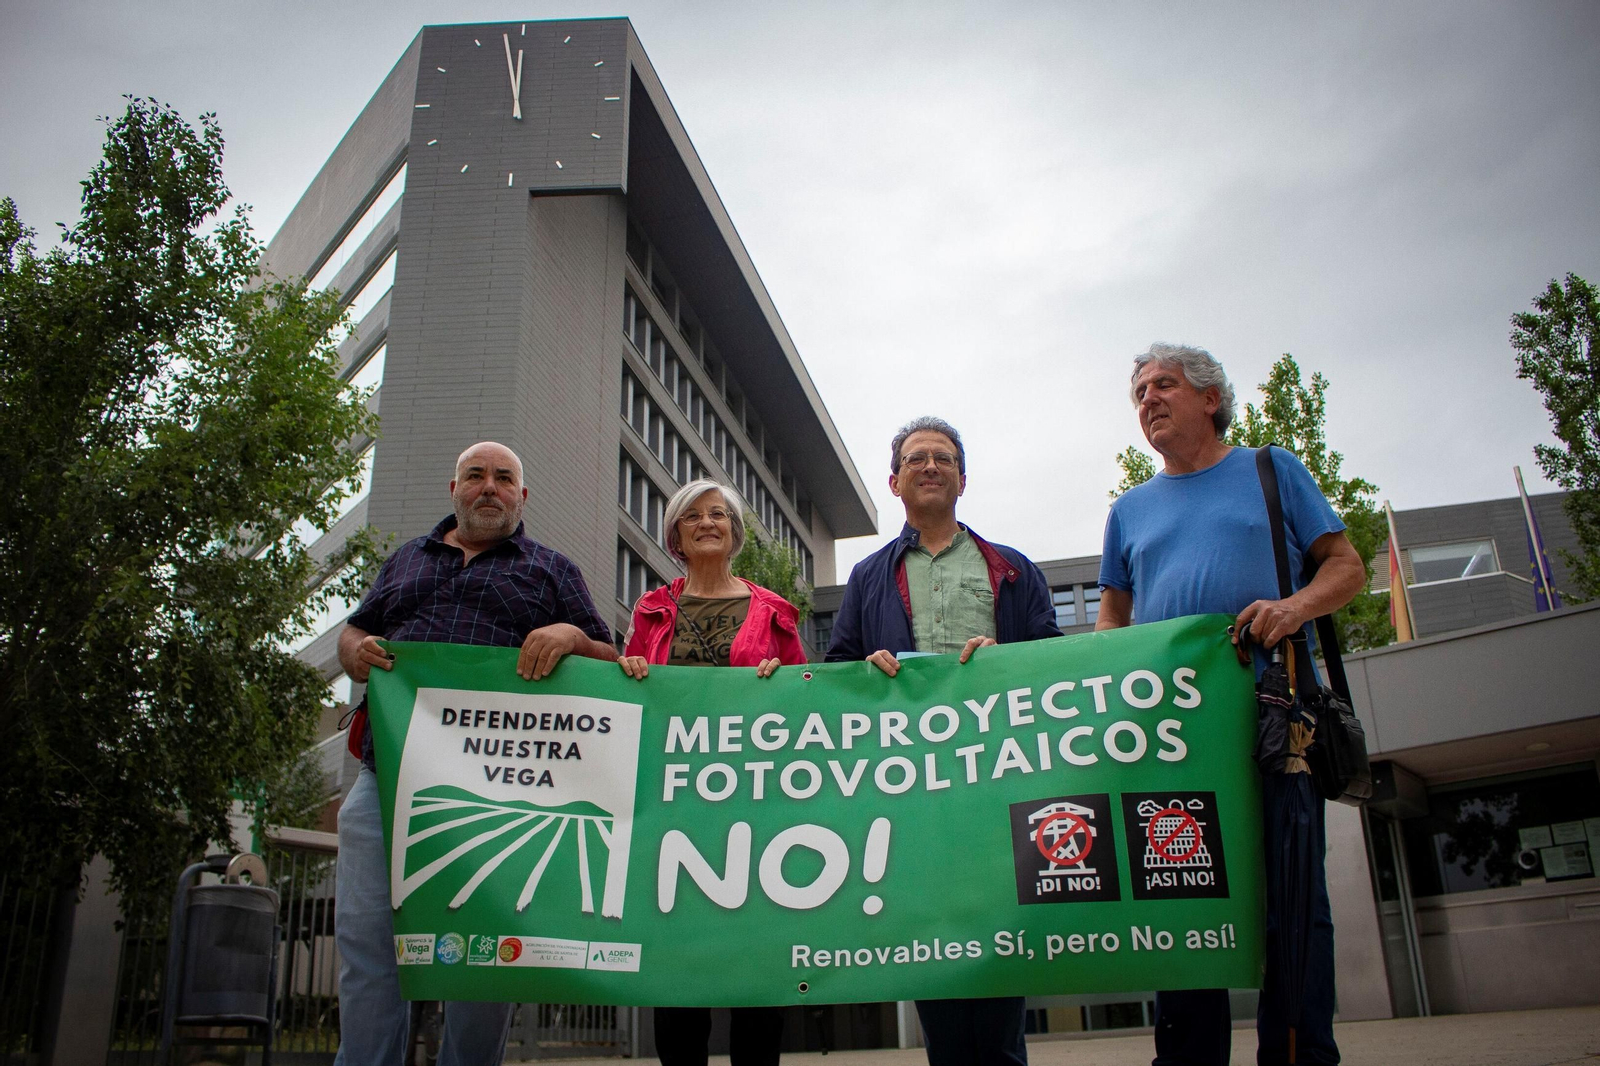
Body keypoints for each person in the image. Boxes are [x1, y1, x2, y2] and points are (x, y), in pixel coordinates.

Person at [1095, 345, 1365, 1066]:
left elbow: (1345, 566)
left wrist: (1293, 607)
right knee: (1181, 902)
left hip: (1276, 720)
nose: (1148, 399)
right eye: (1139, 392)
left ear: (1210, 398)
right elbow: (1111, 621)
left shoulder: (1271, 470)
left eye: (1164, 385)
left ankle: (1301, 1052)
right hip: (1173, 739)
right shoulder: (1127, 511)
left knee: (1294, 899)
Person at [334, 441, 618, 1066]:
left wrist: (572, 635)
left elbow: (611, 658)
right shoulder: (405, 561)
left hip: (502, 795)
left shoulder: (551, 570)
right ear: (454, 488)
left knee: (488, 956)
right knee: (368, 951)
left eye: (504, 478)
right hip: (384, 782)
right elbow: (356, 628)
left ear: (523, 496)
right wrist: (350, 649)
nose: (490, 486)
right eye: (476, 476)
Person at [826, 416, 1060, 1066]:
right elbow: (837, 672)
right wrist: (864, 674)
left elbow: (1052, 662)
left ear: (963, 477)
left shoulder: (1011, 569)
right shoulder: (869, 577)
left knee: (1000, 952)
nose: (931, 466)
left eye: (944, 458)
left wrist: (1008, 663)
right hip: (911, 796)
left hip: (997, 788)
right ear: (895, 480)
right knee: (933, 944)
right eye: (917, 458)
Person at [617, 477, 805, 1066]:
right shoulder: (650, 610)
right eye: (693, 515)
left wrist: (786, 688)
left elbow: (807, 705)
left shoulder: (774, 612)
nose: (707, 523)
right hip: (674, 813)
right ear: (675, 534)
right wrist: (628, 671)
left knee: (756, 965)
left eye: (718, 514)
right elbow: (628, 703)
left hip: (757, 810)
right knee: (678, 968)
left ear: (735, 532)